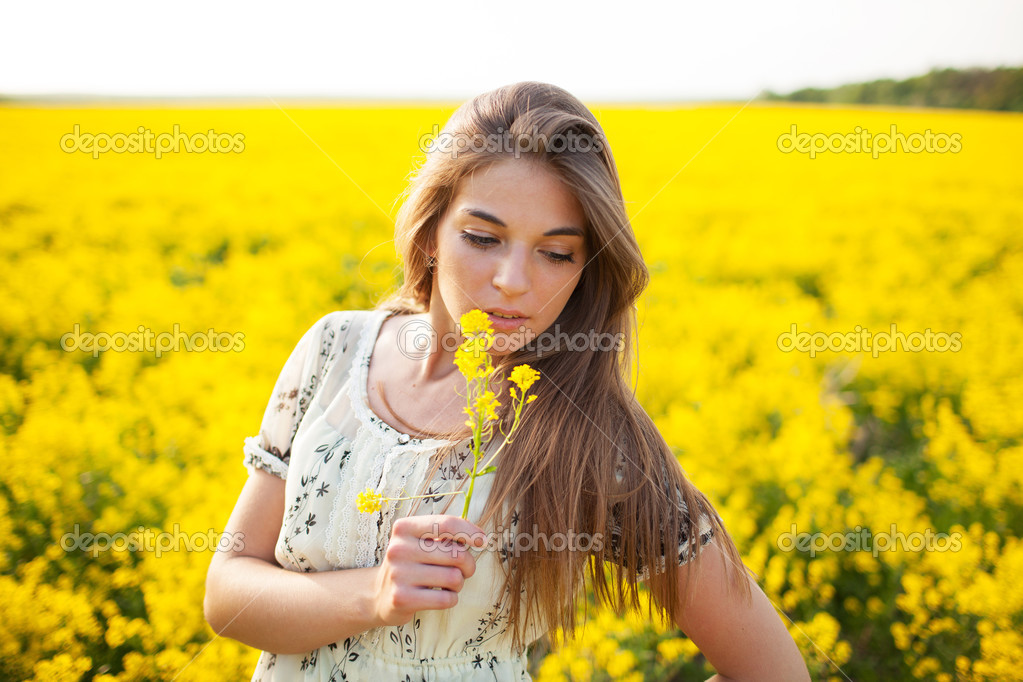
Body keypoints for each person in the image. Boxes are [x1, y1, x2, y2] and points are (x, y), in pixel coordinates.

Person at [204, 81, 810, 681]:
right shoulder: (333, 349)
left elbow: (775, 671)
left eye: (557, 253)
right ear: (431, 229)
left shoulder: (592, 430)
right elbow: (228, 597)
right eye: (483, 238)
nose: (513, 281)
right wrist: (374, 594)